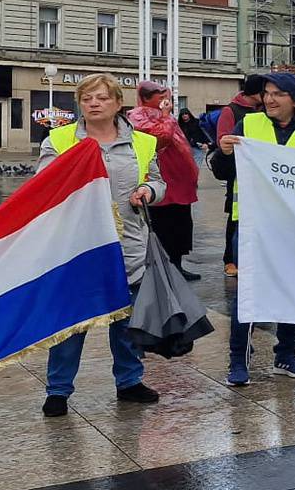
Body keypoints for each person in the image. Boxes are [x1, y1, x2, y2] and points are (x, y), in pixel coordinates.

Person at [38, 74, 164, 417]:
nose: (94, 104)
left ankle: (129, 381)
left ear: (117, 104)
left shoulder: (143, 142)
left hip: (128, 244)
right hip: (77, 248)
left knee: (126, 322)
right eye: (87, 98)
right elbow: (44, 186)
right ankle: (58, 390)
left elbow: (156, 181)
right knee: (71, 325)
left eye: (102, 98)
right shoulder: (60, 139)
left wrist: (149, 192)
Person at [218, 72, 295, 386]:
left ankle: (286, 354)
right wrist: (224, 153)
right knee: (248, 294)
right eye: (266, 93)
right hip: (252, 223)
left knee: (294, 290)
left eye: (278, 93)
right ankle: (238, 359)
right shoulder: (249, 125)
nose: (269, 99)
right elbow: (223, 170)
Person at [129, 81, 201, 282]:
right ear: (145, 98)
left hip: (180, 182)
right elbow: (161, 138)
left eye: (165, 95)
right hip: (161, 181)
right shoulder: (137, 116)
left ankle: (177, 265)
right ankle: (162, 270)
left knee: (181, 226)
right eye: (159, 96)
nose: (164, 100)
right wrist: (166, 116)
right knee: (163, 227)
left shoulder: (164, 117)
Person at [212, 73, 265, 274]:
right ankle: (230, 260)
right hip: (238, 173)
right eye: (265, 91)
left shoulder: (264, 110)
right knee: (235, 216)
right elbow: (223, 140)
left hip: (260, 172)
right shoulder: (231, 110)